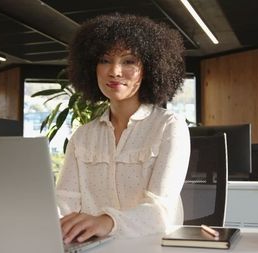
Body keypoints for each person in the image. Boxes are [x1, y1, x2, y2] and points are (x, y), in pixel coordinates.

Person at [55, 13, 190, 244]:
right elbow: (64, 201)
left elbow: (161, 211)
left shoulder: (168, 127)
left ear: (149, 68)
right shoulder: (83, 136)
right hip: (92, 248)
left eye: (129, 61)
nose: (115, 71)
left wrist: (108, 221)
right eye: (105, 60)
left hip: (150, 245)